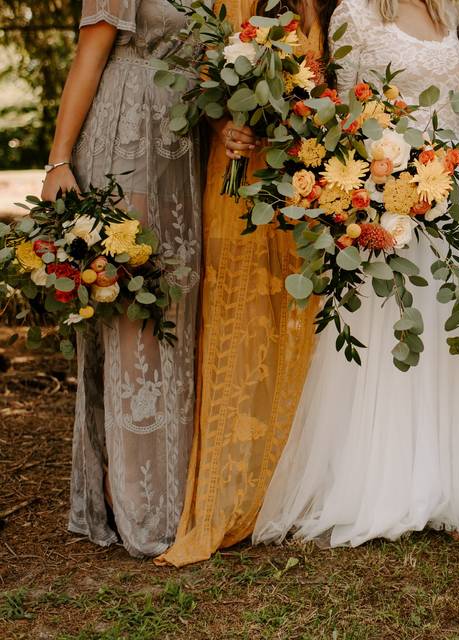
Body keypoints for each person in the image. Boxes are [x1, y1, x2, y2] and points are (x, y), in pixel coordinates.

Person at [252, 0, 459, 548]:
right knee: (388, 334)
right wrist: (379, 189)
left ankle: (449, 487)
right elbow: (345, 118)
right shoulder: (356, 13)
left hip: (450, 196)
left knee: (447, 338)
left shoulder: (448, 12)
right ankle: (381, 484)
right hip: (387, 199)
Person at [155, 0, 333, 567]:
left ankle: (291, 484)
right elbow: (207, 84)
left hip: (298, 181)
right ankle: (234, 486)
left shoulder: (317, 8)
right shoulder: (227, 6)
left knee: (296, 320)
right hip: (236, 183)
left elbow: (328, 93)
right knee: (239, 320)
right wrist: (226, 126)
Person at [41, 0, 202, 557]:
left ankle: (173, 485)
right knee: (134, 308)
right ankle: (134, 498)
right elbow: (92, 50)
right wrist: (59, 160)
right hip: (127, 133)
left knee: (174, 308)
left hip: (185, 144)